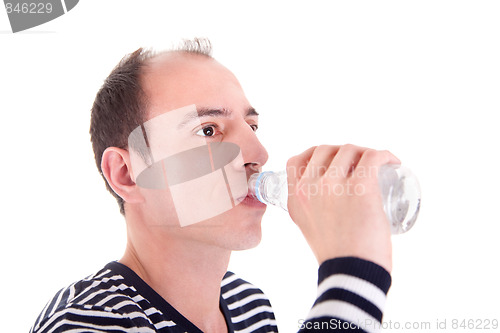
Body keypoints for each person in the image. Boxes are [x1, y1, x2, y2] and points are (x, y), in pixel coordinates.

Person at [30, 38, 399, 333]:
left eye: (251, 127)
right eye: (208, 130)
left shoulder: (249, 304)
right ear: (126, 174)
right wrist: (352, 271)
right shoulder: (86, 323)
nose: (259, 153)